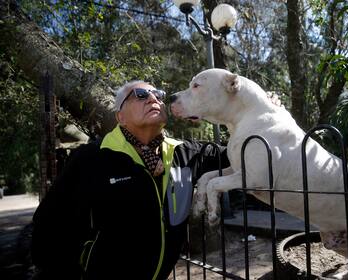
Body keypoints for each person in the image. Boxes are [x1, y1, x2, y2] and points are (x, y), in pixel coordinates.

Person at [31, 80, 229, 280]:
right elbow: (48, 228)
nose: (154, 98)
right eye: (141, 94)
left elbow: (243, 154)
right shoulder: (91, 158)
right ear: (121, 117)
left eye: (158, 95)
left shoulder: (186, 153)